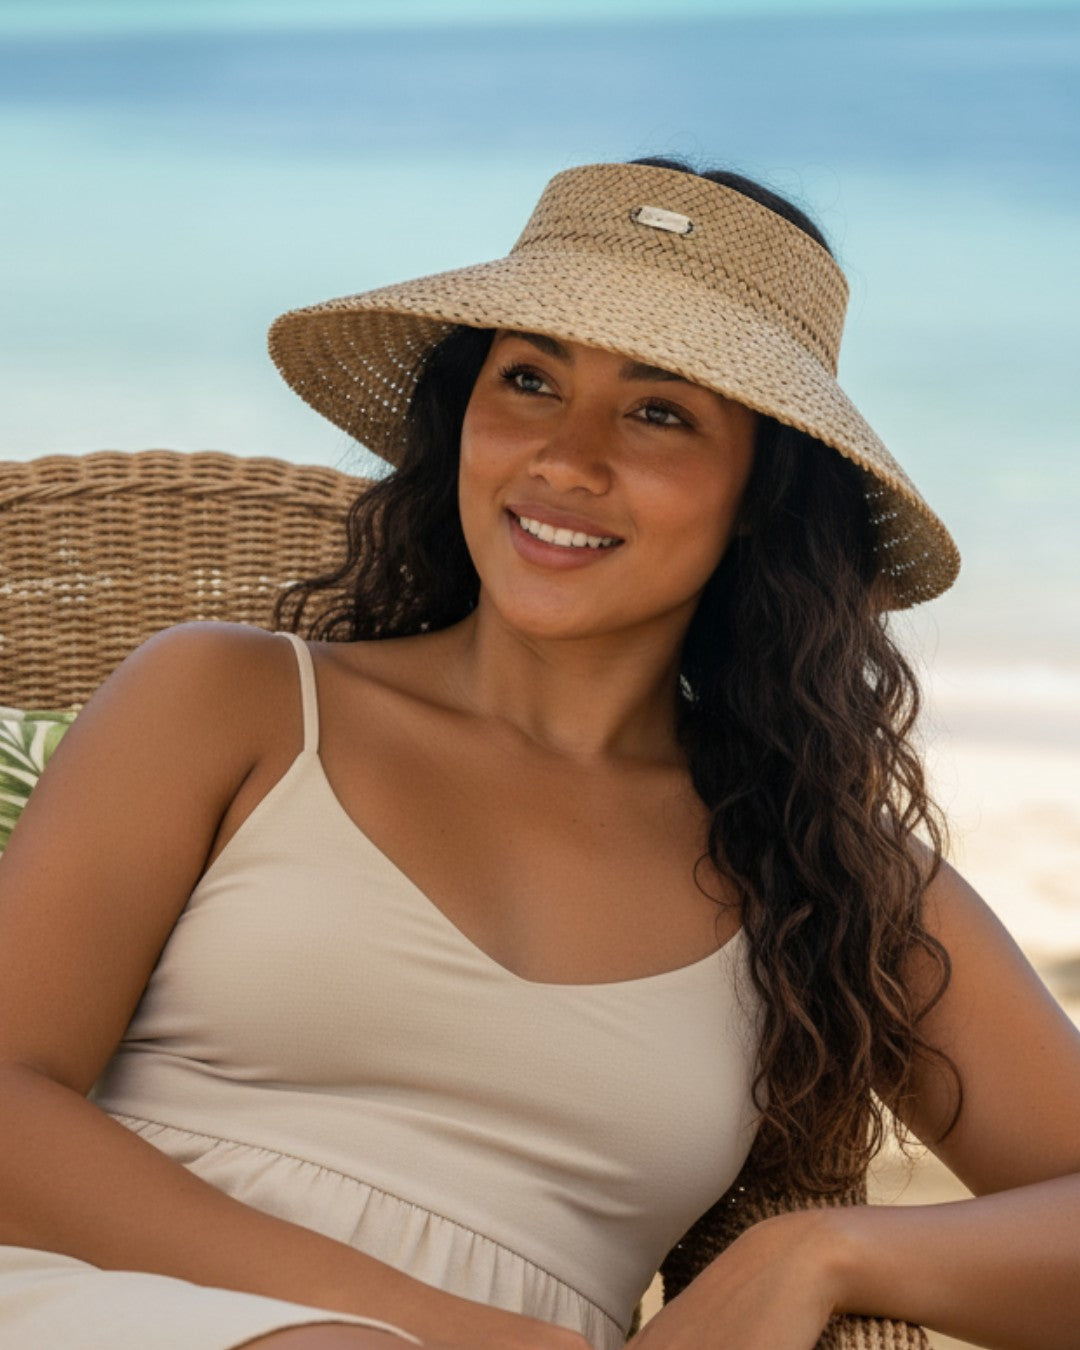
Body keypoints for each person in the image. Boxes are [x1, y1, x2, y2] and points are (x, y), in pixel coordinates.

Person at [0, 157, 1077, 1350]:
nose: (565, 459)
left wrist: (817, 1249)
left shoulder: (820, 867)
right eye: (529, 381)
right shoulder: (229, 700)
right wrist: (440, 1331)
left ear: (761, 495)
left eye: (659, 411)